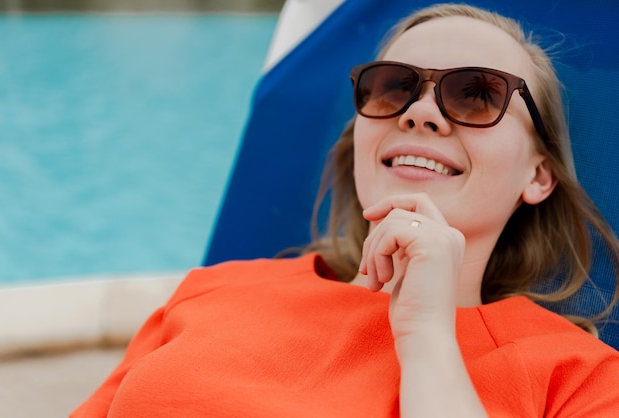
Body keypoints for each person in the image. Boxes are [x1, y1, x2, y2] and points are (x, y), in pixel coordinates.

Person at [72, 3, 619, 417]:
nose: (420, 113)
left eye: (477, 95)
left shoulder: (579, 380)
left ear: (539, 176)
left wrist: (428, 337)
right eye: (391, 88)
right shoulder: (215, 290)